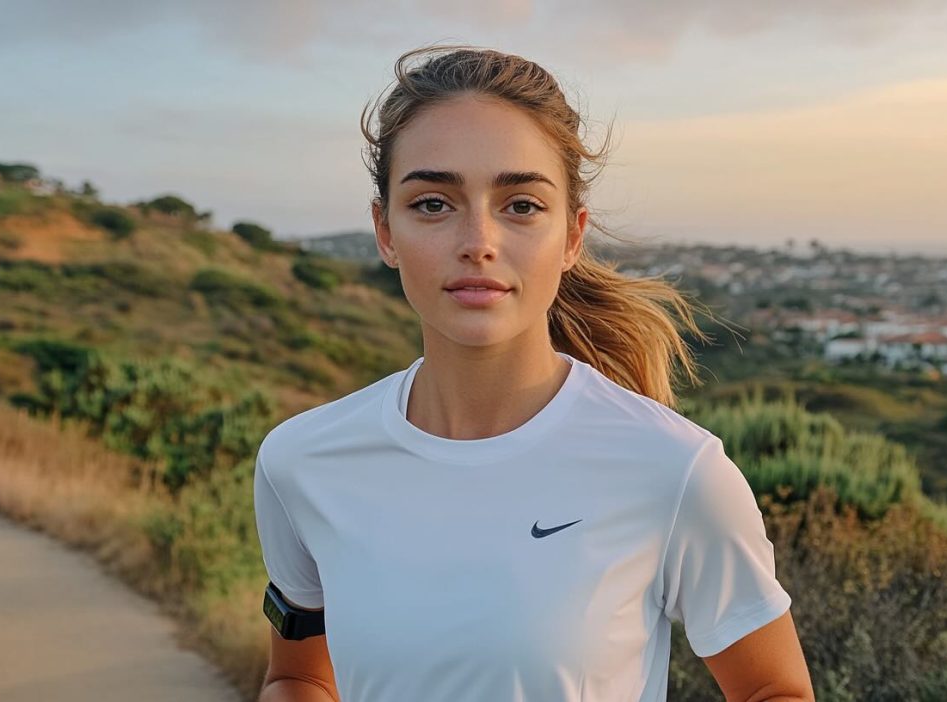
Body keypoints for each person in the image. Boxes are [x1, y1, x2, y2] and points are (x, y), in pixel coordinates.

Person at [253, 44, 814, 702]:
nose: (478, 241)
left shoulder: (674, 469)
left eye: (521, 205)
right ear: (385, 231)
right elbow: (298, 677)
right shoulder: (303, 460)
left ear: (572, 236)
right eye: (433, 203)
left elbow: (773, 690)